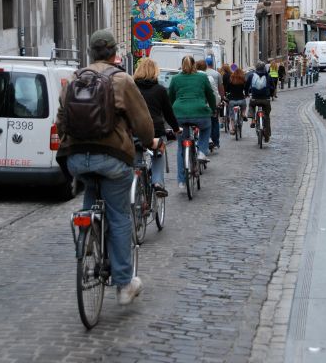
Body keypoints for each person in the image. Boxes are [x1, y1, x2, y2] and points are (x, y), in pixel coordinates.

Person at [56, 29, 154, 306]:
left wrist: (69, 143)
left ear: (90, 52)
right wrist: (149, 141)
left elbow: (61, 118)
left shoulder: (75, 78)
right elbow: (143, 121)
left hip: (77, 158)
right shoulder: (122, 79)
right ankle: (124, 283)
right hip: (112, 158)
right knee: (120, 215)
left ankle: (88, 232)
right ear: (114, 53)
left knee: (90, 183)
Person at [133, 58, 181, 197]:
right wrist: (176, 128)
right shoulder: (160, 90)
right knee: (158, 153)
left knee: (136, 157)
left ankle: (134, 184)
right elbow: (168, 113)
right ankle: (157, 182)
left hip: (135, 129)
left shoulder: (132, 88)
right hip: (154, 129)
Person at [168, 55, 215, 189]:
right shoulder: (201, 77)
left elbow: (170, 97)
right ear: (194, 65)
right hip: (200, 112)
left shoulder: (176, 79)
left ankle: (182, 181)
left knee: (181, 147)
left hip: (179, 115)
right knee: (206, 128)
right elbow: (210, 95)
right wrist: (212, 109)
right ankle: (201, 151)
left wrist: (172, 112)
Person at [246, 61, 274, 142]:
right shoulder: (268, 76)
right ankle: (267, 134)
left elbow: (247, 85)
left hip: (254, 99)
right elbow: (272, 87)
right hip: (266, 99)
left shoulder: (251, 75)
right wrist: (271, 95)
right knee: (267, 116)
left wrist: (246, 92)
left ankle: (252, 118)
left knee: (251, 105)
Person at [205, 56, 225, 150]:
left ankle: (207, 140)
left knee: (206, 121)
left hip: (204, 102)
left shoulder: (201, 73)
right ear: (212, 64)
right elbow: (220, 88)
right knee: (214, 121)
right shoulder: (217, 74)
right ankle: (216, 142)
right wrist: (222, 99)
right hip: (214, 100)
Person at [226, 68, 249, 135]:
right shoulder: (243, 80)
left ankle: (233, 128)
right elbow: (246, 89)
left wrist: (227, 93)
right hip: (241, 99)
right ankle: (243, 114)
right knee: (244, 107)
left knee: (231, 115)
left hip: (232, 100)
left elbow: (227, 89)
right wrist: (246, 94)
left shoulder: (231, 80)